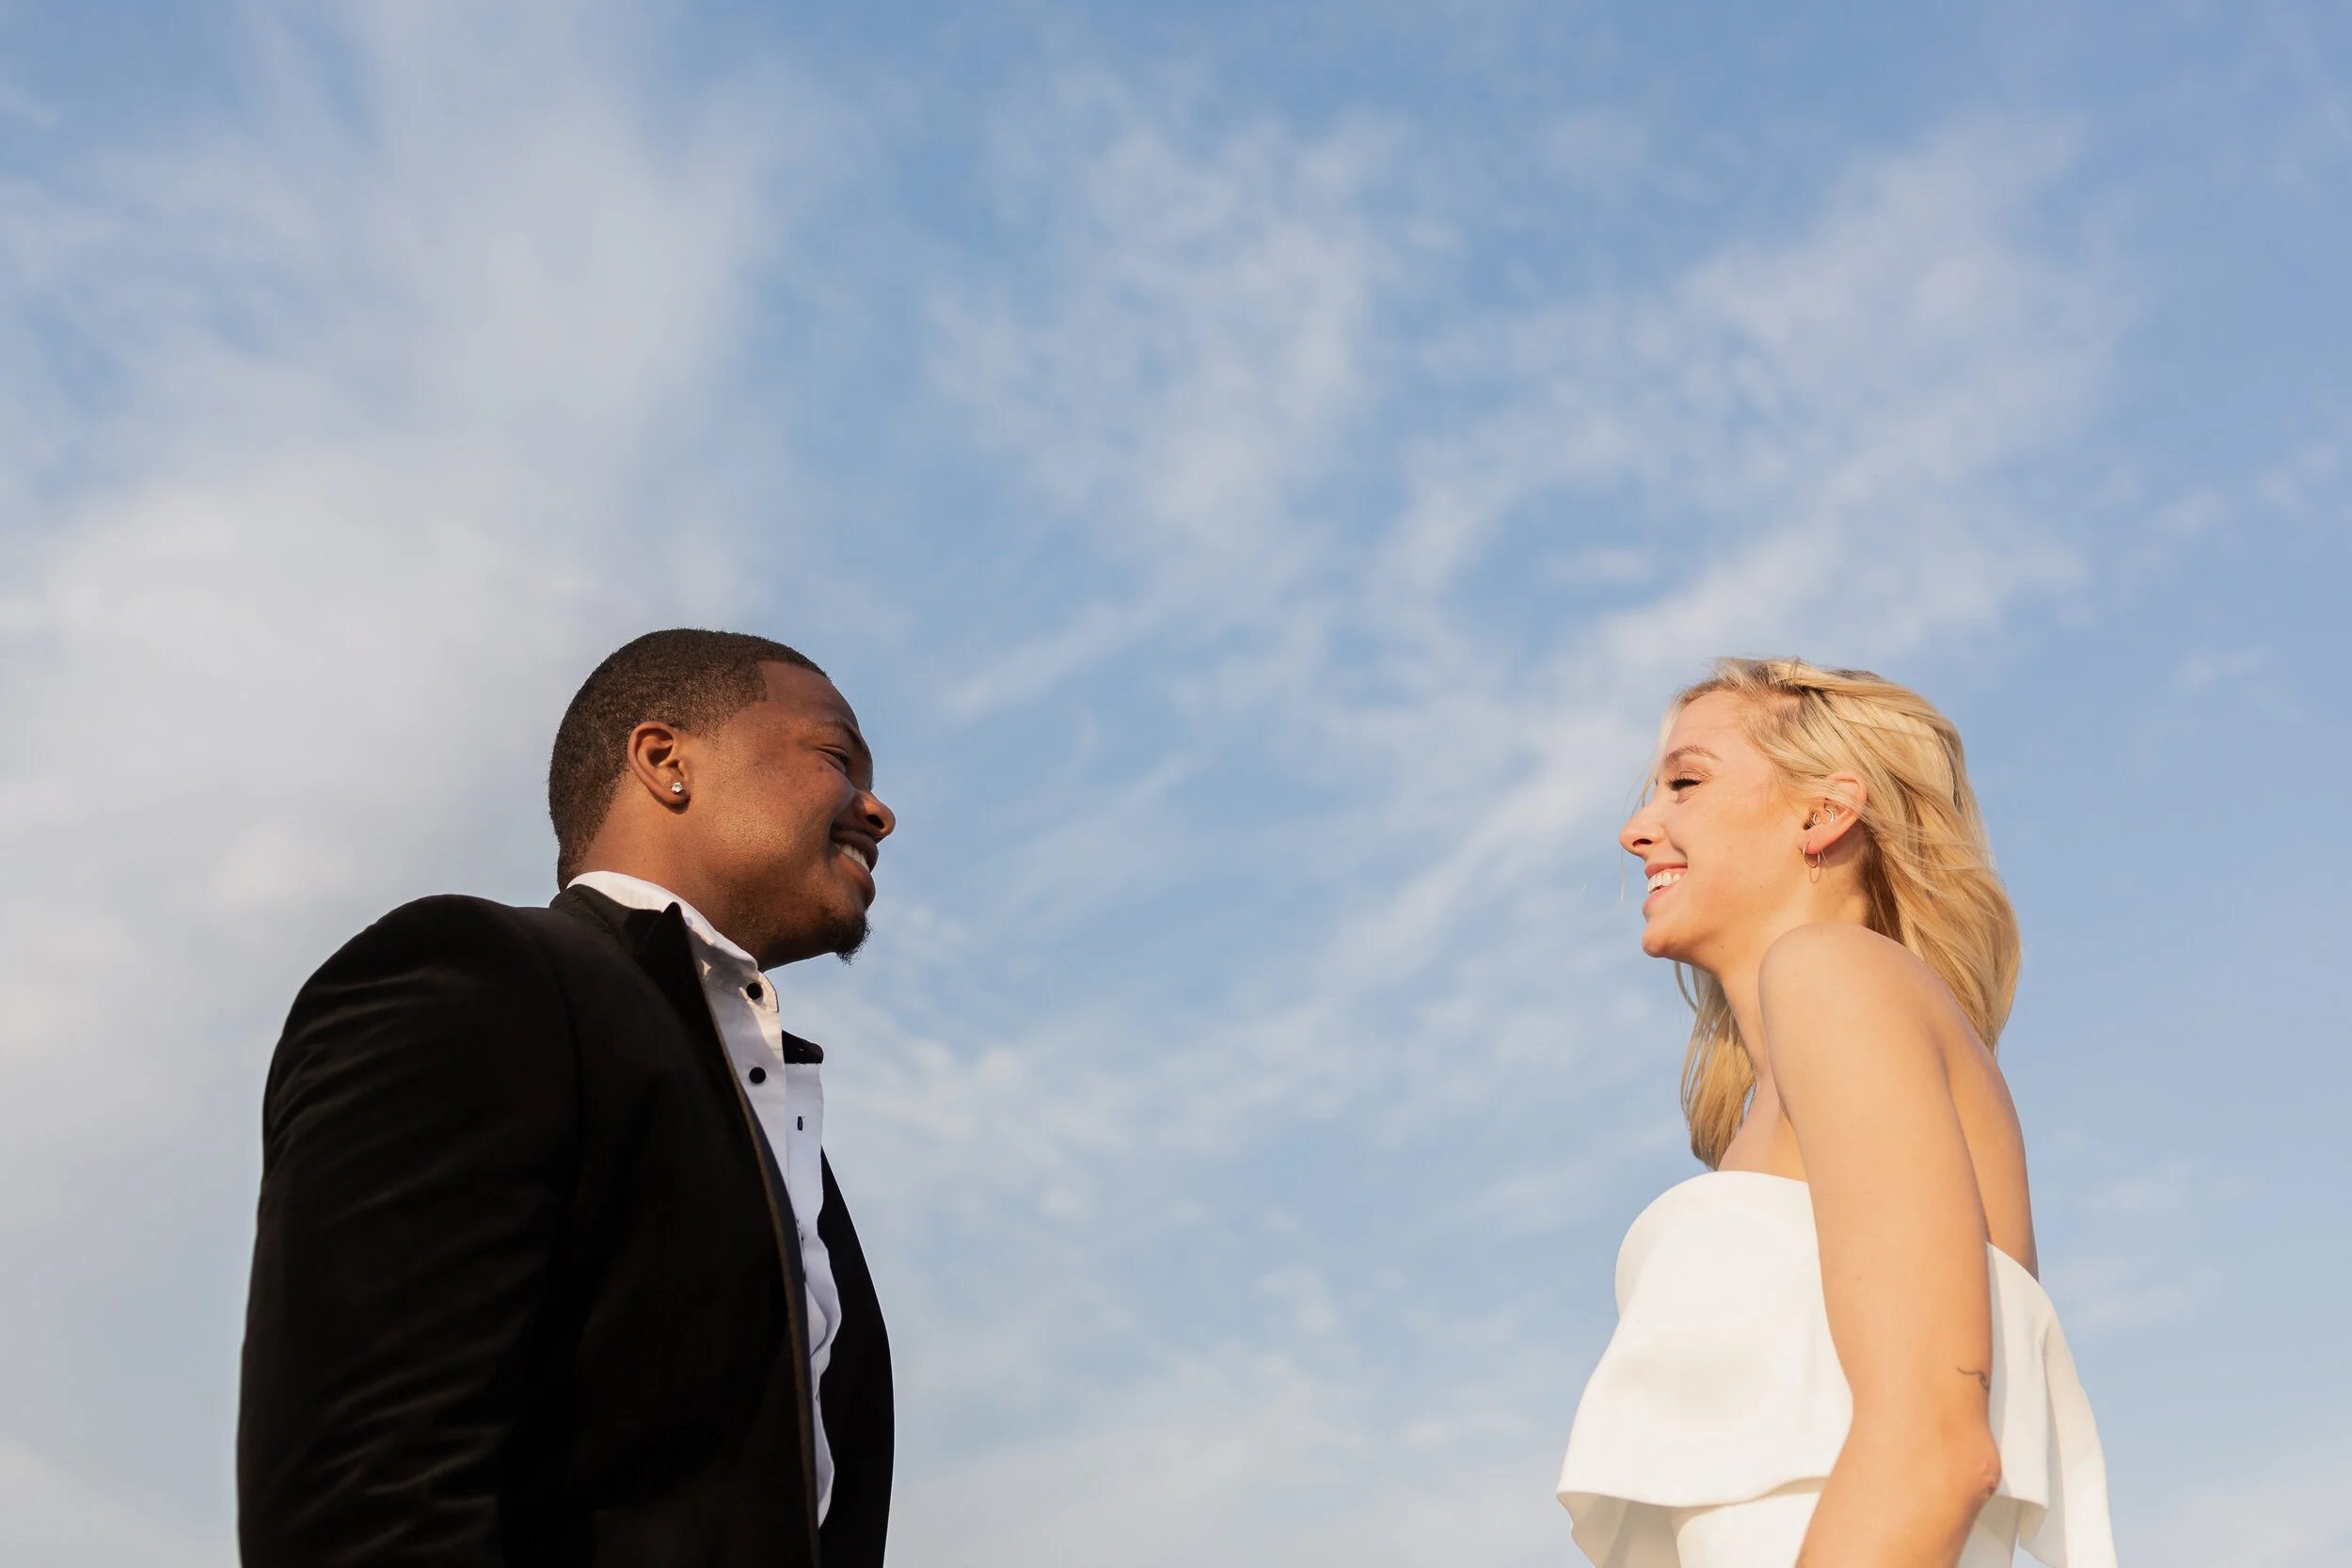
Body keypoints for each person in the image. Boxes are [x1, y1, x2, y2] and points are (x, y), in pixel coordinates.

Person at [238, 629, 897, 1568]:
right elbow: (365, 1497)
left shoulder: (773, 1131)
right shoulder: (477, 981)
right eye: (837, 757)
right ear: (666, 760)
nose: (878, 809)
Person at [1557, 659, 2116, 1568]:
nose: (1636, 830)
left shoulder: (1835, 974)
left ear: (1823, 814)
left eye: (1685, 784)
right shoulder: (1775, 1104)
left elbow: (1936, 1448)